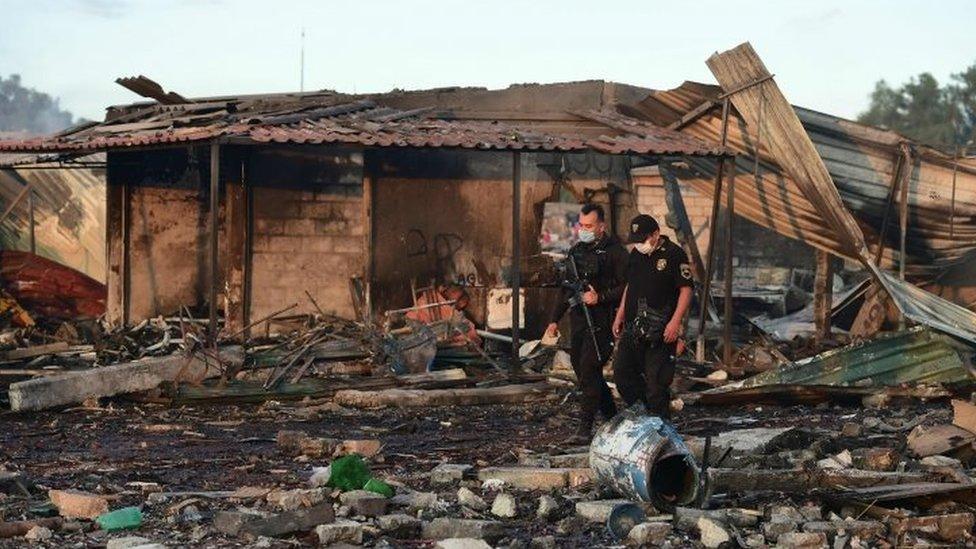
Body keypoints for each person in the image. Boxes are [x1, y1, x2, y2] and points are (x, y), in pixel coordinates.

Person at [545, 204, 628, 444]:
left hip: (603, 320)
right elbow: (565, 289)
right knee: (583, 371)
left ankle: (585, 429)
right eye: (581, 225)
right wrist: (553, 320)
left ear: (601, 226)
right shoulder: (576, 252)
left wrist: (600, 297)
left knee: (590, 369)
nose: (584, 230)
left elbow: (627, 287)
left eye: (589, 226)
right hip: (579, 320)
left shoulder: (616, 253)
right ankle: (613, 418)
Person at [611, 214, 693, 418]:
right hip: (633, 326)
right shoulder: (636, 256)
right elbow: (630, 286)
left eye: (643, 240)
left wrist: (676, 322)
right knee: (622, 375)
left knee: (656, 383)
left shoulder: (674, 255)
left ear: (655, 234)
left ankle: (661, 424)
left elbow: (686, 290)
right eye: (636, 241)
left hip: (660, 329)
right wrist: (620, 314)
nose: (640, 245)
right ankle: (644, 413)